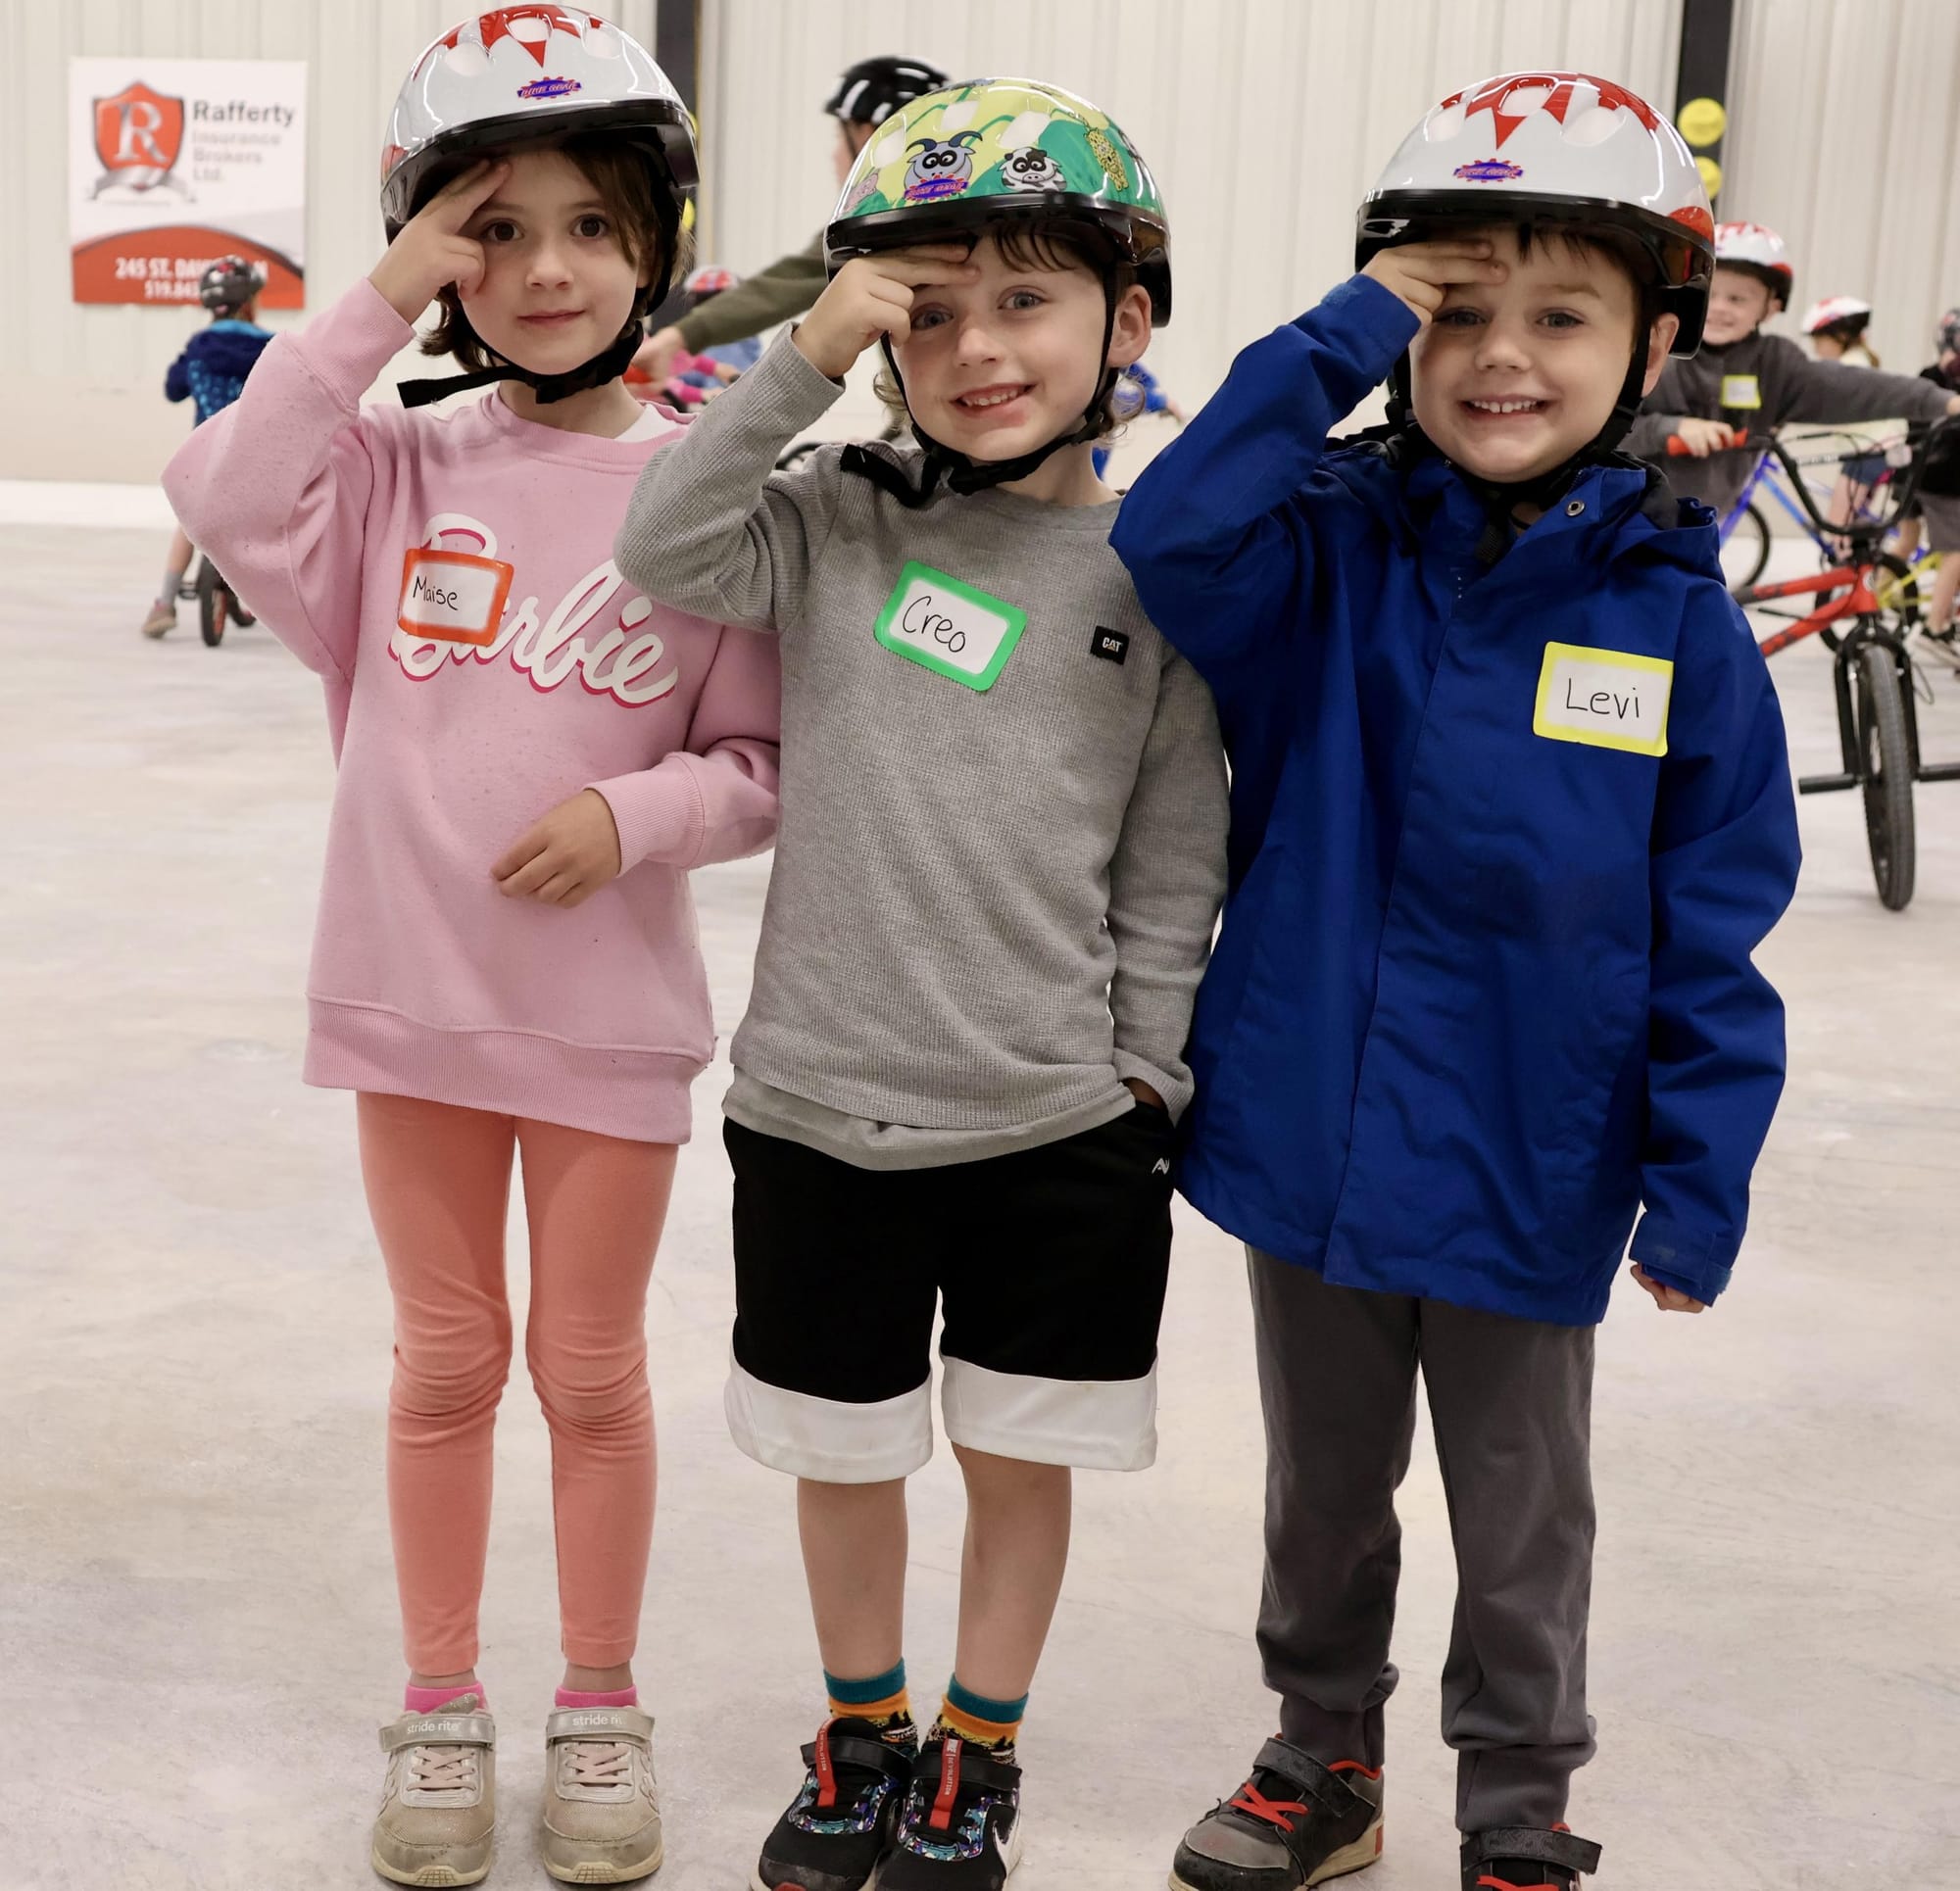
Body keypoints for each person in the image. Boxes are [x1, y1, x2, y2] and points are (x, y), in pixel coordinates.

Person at [1112, 73, 1802, 1891]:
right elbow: (1169, 531)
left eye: (1560, 316)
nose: (1503, 357)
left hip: (1531, 1150)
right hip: (1312, 1134)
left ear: (1655, 344)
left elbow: (1715, 924)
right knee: (1322, 1494)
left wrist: (1696, 1173)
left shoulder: (1672, 619)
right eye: (1453, 313)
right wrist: (1345, 328)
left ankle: (1518, 1802)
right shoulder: (1327, 552)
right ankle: (1317, 1759)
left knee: (1519, 1516)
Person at [162, 12, 779, 1885]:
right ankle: (441, 1708)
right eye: (491, 230)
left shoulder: (706, 491)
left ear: (658, 247)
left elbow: (762, 766)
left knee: (591, 1375)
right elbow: (223, 494)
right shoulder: (393, 470)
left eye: (589, 225)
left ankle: (601, 1707)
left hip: (605, 1029)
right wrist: (368, 299)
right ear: (431, 252)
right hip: (411, 1011)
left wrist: (635, 819)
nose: (543, 269)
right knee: (445, 1362)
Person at [615, 75, 1227, 1891]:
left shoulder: (1161, 572)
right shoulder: (827, 521)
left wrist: (1146, 1072)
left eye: (1026, 301)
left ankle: (979, 1745)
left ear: (1124, 323)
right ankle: (864, 1724)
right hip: (819, 1101)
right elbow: (663, 543)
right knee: (848, 1448)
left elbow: (1175, 855)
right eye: (933, 308)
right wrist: (801, 355)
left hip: (1054, 1120)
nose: (977, 349)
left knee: (1017, 1454)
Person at [633, 55, 947, 383]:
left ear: (870, 137)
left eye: (840, 138)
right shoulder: (932, 215)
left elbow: (783, 286)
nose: (834, 154)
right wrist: (682, 337)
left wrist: (678, 338)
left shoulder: (883, 230)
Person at [1628, 220, 1959, 519]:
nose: (1719, 308)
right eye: (1709, 294)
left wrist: (1943, 402)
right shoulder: (1655, 348)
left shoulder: (1774, 365)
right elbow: (1596, 432)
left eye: (1738, 299)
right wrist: (1669, 429)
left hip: (1702, 523)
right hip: (1627, 518)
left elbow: (1854, 388)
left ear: (1770, 307)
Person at [140, 256, 273, 638]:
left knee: (188, 523)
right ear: (249, 302)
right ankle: (272, 599)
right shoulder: (269, 347)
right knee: (263, 524)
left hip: (205, 458)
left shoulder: (199, 347)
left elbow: (173, 389)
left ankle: (164, 604)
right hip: (252, 459)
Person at [1908, 307, 1960, 646]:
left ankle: (1876, 591)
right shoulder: (1933, 378)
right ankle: (1935, 624)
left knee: (1905, 544)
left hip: (1922, 477)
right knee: (1956, 552)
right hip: (1938, 481)